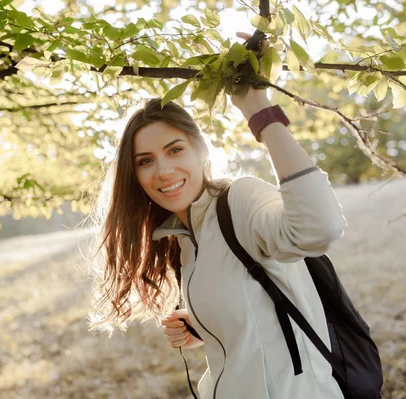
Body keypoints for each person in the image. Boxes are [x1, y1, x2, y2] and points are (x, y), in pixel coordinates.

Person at [87, 38, 347, 399]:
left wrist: (261, 113)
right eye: (145, 161)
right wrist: (205, 328)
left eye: (174, 150)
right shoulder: (181, 240)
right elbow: (253, 314)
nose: (163, 171)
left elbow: (320, 229)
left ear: (200, 152)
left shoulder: (239, 199)